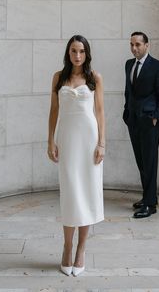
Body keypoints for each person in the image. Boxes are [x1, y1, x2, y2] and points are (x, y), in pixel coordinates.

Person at [47, 35, 105, 277]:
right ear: (68, 53)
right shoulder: (58, 77)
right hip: (68, 140)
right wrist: (50, 140)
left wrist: (102, 143)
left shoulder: (94, 78)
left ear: (87, 53)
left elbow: (100, 112)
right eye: (73, 51)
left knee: (88, 192)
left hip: (89, 140)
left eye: (81, 51)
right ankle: (67, 246)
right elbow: (53, 110)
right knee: (70, 192)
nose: (78, 55)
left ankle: (82, 248)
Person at [123, 31, 159, 218]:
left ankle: (150, 205)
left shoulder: (158, 67)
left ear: (147, 45)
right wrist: (126, 112)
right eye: (132, 44)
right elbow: (129, 91)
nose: (134, 48)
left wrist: (156, 117)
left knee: (150, 163)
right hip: (133, 120)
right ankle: (148, 197)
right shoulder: (128, 65)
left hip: (150, 122)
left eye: (138, 45)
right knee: (141, 162)